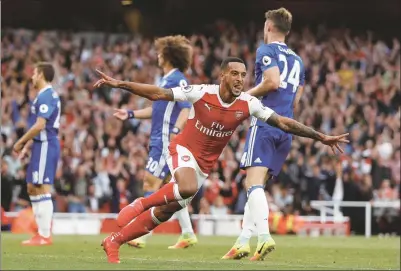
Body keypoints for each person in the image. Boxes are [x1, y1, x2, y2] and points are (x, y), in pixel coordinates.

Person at [93, 56, 348, 264]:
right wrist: (119, 84)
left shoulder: (248, 103)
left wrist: (321, 137)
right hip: (182, 149)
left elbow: (283, 122)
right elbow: (159, 93)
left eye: (243, 75)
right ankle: (140, 203)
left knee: (164, 212)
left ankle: (113, 241)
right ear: (223, 75)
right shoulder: (201, 92)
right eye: (235, 74)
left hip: (203, 166)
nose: (240, 79)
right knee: (186, 187)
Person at [223, 7, 305, 261]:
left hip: (266, 123)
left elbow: (272, 82)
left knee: (252, 184)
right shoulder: (298, 60)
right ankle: (243, 242)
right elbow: (297, 99)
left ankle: (264, 237)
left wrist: (245, 97)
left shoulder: (265, 50)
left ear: (269, 26)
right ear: (287, 30)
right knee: (256, 188)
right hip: (286, 127)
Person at [113, 35, 198, 249]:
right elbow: (156, 110)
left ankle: (142, 233)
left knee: (150, 183)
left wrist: (175, 132)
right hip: (160, 139)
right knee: (172, 189)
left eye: (161, 52)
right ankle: (187, 233)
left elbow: (186, 108)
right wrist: (130, 114)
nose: (158, 55)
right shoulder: (165, 80)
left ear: (169, 55)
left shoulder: (177, 79)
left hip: (165, 141)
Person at [13, 62, 61, 246]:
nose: (32, 77)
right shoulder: (42, 96)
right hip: (40, 145)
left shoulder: (47, 96)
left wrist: (21, 141)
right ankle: (40, 233)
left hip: (47, 144)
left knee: (42, 187)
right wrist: (28, 146)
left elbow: (41, 125)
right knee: (32, 187)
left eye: (34, 73)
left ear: (41, 75)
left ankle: (44, 235)